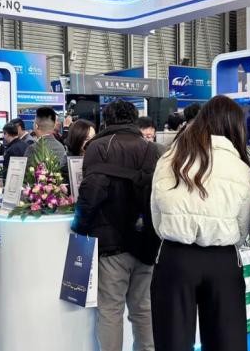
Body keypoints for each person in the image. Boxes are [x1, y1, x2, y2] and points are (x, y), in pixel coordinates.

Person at [150, 96, 250, 351]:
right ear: (235, 127)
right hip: (223, 260)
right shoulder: (240, 166)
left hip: (175, 257)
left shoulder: (170, 157)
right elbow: (243, 224)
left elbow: (157, 214)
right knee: (227, 341)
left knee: (172, 341)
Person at [72, 100, 160, 351]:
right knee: (143, 308)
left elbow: (92, 191)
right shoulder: (153, 149)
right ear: (134, 120)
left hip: (111, 241)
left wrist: (79, 225)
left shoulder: (98, 147)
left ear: (107, 120)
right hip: (146, 241)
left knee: (111, 309)